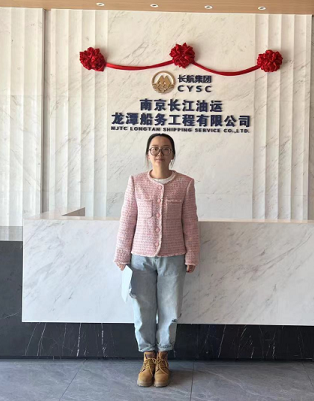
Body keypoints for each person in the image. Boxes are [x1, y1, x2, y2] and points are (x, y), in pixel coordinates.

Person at [114, 133, 200, 388]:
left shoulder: (185, 183)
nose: (159, 153)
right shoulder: (136, 182)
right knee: (142, 308)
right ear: (147, 154)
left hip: (173, 256)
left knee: (170, 310)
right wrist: (121, 254)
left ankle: (163, 357)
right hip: (140, 257)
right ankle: (147, 357)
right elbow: (127, 219)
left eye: (165, 149)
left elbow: (190, 222)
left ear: (172, 154)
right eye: (154, 149)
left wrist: (192, 253)